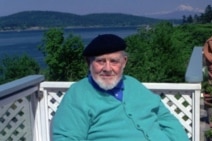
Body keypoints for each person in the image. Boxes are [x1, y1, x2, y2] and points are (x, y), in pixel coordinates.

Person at [52, 34, 189, 141]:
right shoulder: (78, 95)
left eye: (114, 61)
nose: (107, 68)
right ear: (89, 63)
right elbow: (66, 137)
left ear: (124, 62)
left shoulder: (133, 84)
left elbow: (165, 118)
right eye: (100, 61)